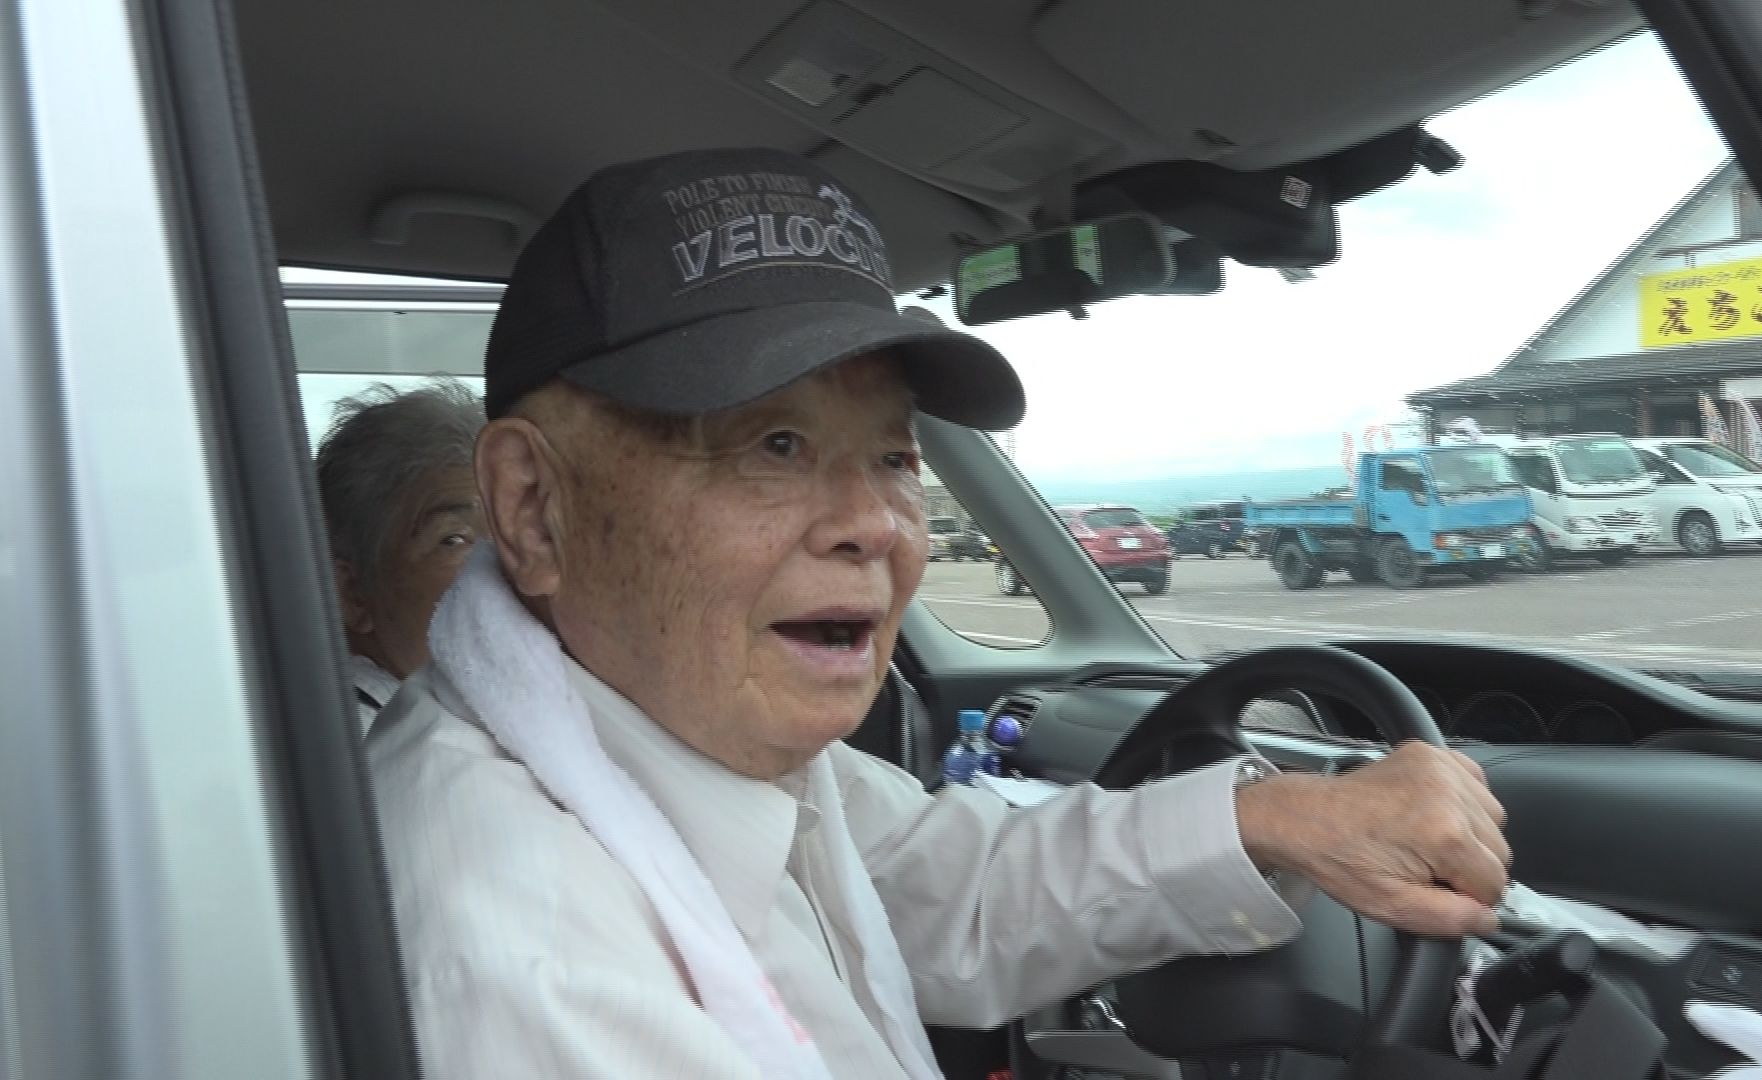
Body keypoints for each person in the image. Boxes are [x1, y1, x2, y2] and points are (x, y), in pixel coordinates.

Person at [368, 148, 1510, 1079]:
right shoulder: (530, 950)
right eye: (774, 445)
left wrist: (1276, 820)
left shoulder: (667, 734)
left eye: (893, 457)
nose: (875, 524)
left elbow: (943, 883)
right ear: (535, 507)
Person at [314, 379, 487, 732]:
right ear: (352, 593)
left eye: (513, 537)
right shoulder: (360, 743)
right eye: (454, 540)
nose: (508, 568)